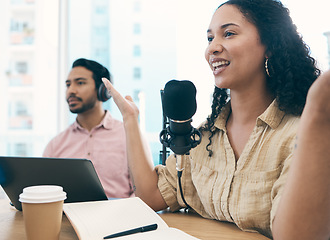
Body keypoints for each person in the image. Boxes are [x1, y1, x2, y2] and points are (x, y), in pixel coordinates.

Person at [102, 0, 329, 239]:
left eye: (229, 34)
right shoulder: (205, 137)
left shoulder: (299, 134)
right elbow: (151, 195)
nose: (213, 48)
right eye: (210, 38)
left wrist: (319, 110)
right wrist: (130, 118)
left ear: (270, 44)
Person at [43, 58, 134, 199]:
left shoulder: (128, 136)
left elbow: (141, 192)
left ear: (102, 90)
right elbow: (44, 191)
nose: (71, 91)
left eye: (80, 83)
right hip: (67, 218)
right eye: (68, 85)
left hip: (118, 217)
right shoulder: (56, 144)